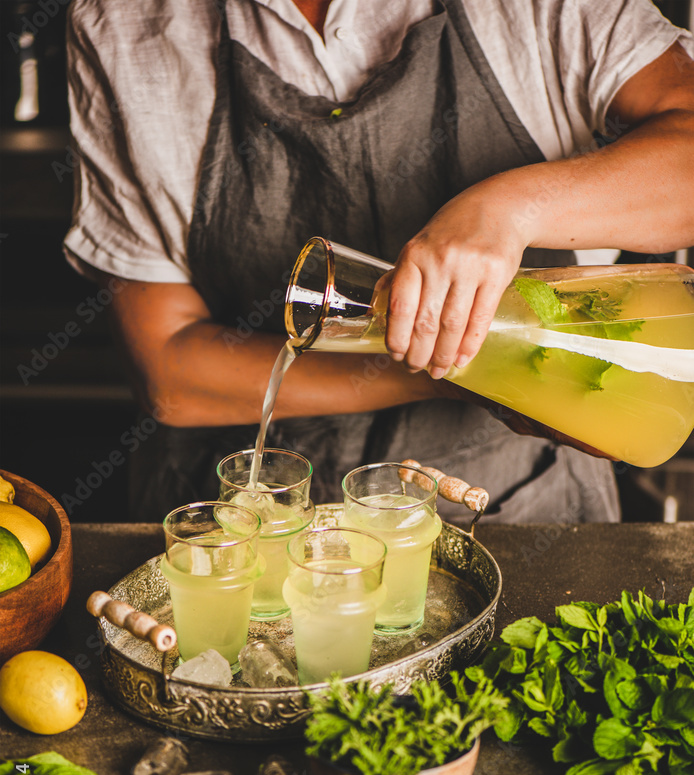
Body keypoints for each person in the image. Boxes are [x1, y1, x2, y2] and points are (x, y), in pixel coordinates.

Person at [63, 0, 694, 523]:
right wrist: (462, 357)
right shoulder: (122, 26)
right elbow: (169, 371)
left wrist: (507, 211)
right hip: (248, 531)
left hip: (514, 512)